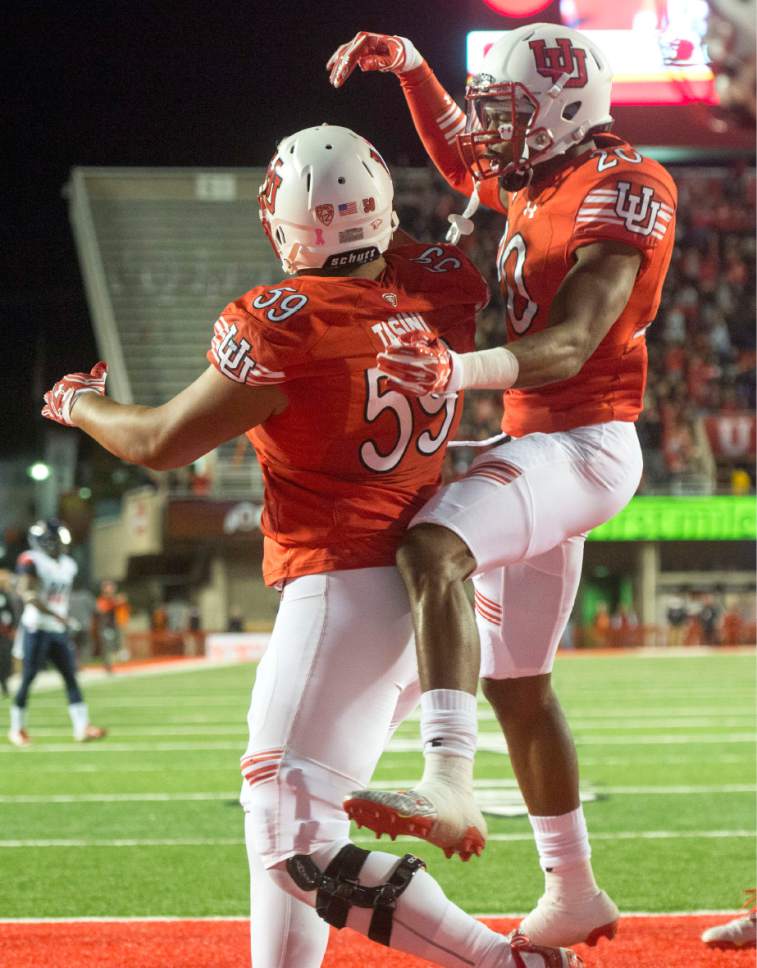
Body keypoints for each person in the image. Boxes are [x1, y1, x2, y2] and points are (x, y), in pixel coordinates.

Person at [41, 125, 582, 968]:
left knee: (289, 834)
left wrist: (76, 403)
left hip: (340, 587)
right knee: (300, 811)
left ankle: (503, 961)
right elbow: (402, 252)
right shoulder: (439, 289)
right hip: (421, 598)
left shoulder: (279, 323)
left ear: (288, 224)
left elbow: (156, 441)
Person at [328, 23, 677, 948]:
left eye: (509, 114)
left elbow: (569, 344)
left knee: (432, 545)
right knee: (520, 685)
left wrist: (456, 370)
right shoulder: (545, 169)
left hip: (585, 441)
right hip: (545, 439)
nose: (493, 134)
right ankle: (574, 890)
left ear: (564, 112)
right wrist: (408, 66)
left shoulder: (625, 187)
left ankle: (447, 777)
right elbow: (457, 157)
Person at [8, 520, 107, 747]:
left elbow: (61, 599)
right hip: (36, 628)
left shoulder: (68, 565)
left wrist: (62, 618)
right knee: (28, 678)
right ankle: (16, 728)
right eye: (54, 542)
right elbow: (27, 594)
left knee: (71, 676)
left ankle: (82, 728)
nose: (59, 547)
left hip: (57, 629)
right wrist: (56, 615)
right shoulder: (31, 560)